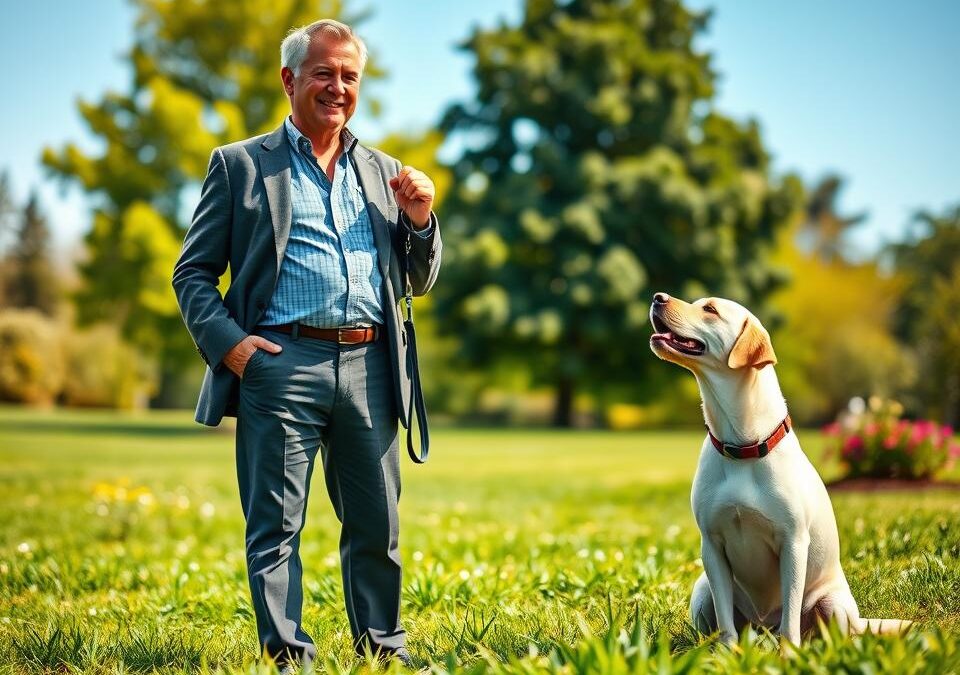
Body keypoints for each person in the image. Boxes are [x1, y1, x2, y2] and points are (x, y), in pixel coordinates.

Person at [172, 19, 441, 669]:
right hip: (280, 363)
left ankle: (382, 648)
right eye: (324, 73)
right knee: (276, 526)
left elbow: (415, 280)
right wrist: (234, 349)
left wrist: (420, 221)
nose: (337, 87)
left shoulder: (384, 171)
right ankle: (288, 655)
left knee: (377, 523)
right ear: (289, 80)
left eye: (349, 76)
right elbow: (192, 274)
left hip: (371, 363)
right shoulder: (240, 165)